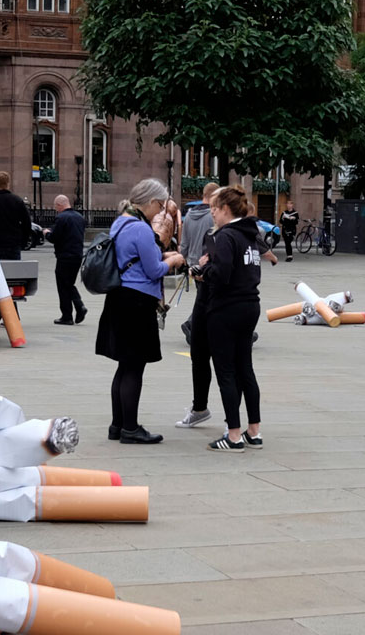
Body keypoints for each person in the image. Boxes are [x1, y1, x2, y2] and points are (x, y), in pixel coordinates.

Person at [95, 178, 186, 445]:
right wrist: (175, 260)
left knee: (124, 366)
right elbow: (153, 270)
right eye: (159, 205)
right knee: (134, 367)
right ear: (149, 201)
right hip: (137, 303)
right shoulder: (141, 230)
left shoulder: (120, 222)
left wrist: (162, 259)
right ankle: (131, 429)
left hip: (119, 298)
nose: (160, 211)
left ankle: (117, 425)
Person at [199, 187, 264, 451]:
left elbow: (222, 273)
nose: (212, 213)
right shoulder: (251, 235)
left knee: (226, 371)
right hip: (250, 305)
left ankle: (233, 435)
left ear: (226, 209)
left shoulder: (226, 236)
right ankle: (254, 431)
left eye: (214, 208)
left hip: (226, 308)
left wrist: (203, 270)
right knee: (245, 368)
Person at [174, 183, 220, 430]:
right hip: (207, 268)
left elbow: (182, 246)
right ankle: (192, 325)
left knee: (202, 303)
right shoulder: (214, 221)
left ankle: (194, 325)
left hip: (193, 263)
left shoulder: (189, 215)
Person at [45, 194, 87, 325]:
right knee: (69, 283)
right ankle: (79, 307)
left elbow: (54, 237)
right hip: (77, 255)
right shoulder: (80, 218)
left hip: (64, 256)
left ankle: (67, 315)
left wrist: (46, 233)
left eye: (56, 207)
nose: (56, 209)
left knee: (63, 286)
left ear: (59, 205)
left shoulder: (61, 218)